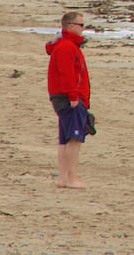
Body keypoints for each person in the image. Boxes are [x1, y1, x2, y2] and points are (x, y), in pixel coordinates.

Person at [46, 12, 93, 189]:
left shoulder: (67, 45)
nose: (83, 28)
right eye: (81, 25)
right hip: (69, 97)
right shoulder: (66, 46)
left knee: (65, 138)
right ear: (71, 26)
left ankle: (64, 177)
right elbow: (67, 74)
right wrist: (74, 96)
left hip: (64, 96)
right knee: (73, 139)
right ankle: (71, 177)